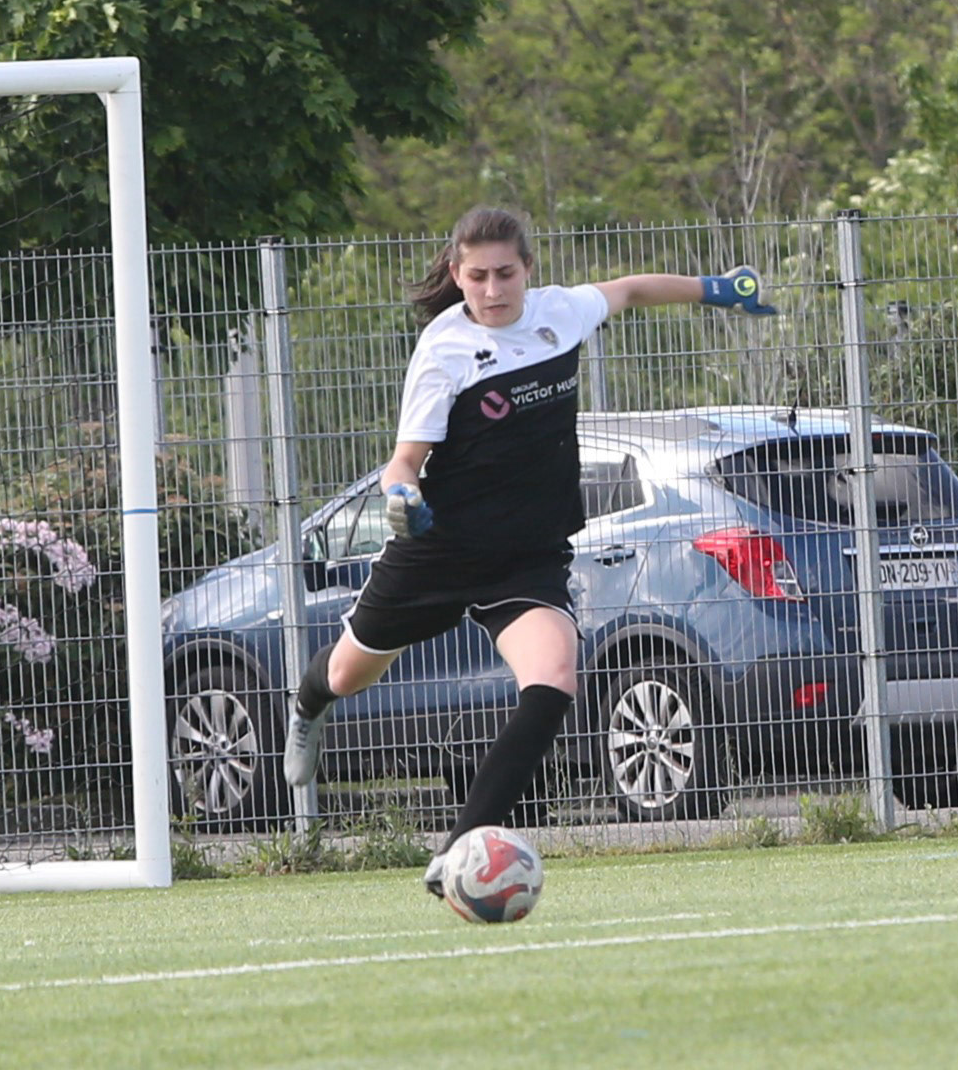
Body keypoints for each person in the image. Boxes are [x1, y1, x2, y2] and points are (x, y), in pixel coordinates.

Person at [282, 205, 776, 896]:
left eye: (506, 273)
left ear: (528, 270)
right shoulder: (444, 349)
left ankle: (456, 854)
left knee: (553, 683)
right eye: (478, 276)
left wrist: (718, 289)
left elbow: (632, 289)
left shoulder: (558, 314)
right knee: (347, 674)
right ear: (457, 275)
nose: (493, 289)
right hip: (441, 549)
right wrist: (400, 498)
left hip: (527, 557)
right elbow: (404, 460)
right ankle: (306, 708)